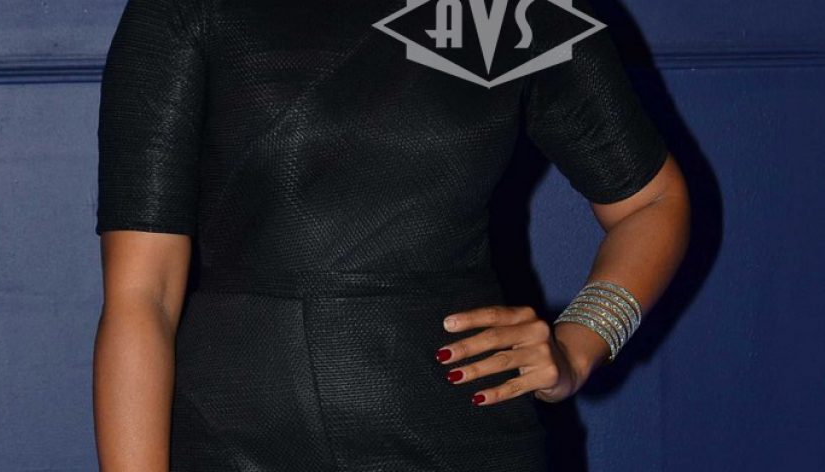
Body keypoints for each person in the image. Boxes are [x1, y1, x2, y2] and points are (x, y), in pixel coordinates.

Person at [91, 0, 691, 470]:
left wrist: (580, 344)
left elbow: (655, 202)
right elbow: (142, 300)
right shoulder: (190, 8)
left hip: (463, 432)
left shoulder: (507, 11)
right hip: (233, 436)